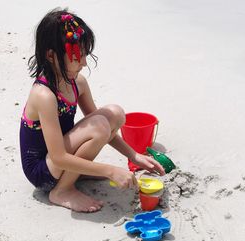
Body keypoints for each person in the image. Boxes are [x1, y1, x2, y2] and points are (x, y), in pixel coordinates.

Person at [19, 8, 165, 213]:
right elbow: (59, 156)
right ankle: (62, 190)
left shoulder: (78, 82)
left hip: (59, 160)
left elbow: (107, 129)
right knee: (99, 125)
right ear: (51, 55)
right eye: (77, 56)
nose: (84, 63)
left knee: (114, 114)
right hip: (43, 171)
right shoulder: (44, 95)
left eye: (85, 54)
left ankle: (73, 175)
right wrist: (110, 170)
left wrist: (134, 155)